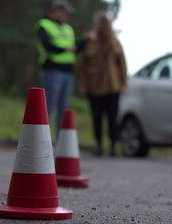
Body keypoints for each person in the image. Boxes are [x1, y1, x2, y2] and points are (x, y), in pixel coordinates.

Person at [76, 12, 127, 157]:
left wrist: (123, 84)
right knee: (96, 117)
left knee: (113, 117)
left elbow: (122, 64)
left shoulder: (115, 43)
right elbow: (82, 66)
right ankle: (98, 144)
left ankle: (112, 145)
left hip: (113, 86)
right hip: (94, 86)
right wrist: (82, 83)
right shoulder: (89, 42)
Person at [34, 1, 85, 138]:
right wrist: (64, 49)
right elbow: (47, 46)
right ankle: (43, 139)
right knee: (48, 107)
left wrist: (84, 42)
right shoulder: (44, 24)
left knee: (64, 108)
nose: (67, 16)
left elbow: (73, 49)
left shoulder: (68, 28)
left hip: (68, 72)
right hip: (52, 70)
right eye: (65, 13)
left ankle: (61, 141)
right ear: (56, 11)